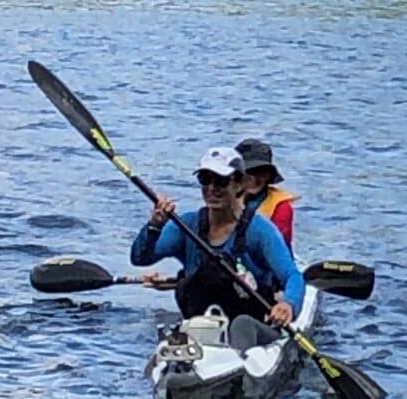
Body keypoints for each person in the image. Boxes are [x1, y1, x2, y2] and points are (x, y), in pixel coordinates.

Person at [129, 146, 304, 348]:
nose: (212, 188)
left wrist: (288, 304)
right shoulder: (187, 225)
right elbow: (140, 258)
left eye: (221, 181)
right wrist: (154, 226)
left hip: (250, 326)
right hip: (200, 325)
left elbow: (292, 275)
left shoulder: (260, 230)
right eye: (205, 179)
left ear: (240, 184)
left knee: (241, 324)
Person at [236, 137, 298, 251]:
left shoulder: (281, 208)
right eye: (248, 172)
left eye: (261, 172)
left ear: (269, 176)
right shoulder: (223, 198)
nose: (253, 179)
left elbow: (277, 250)